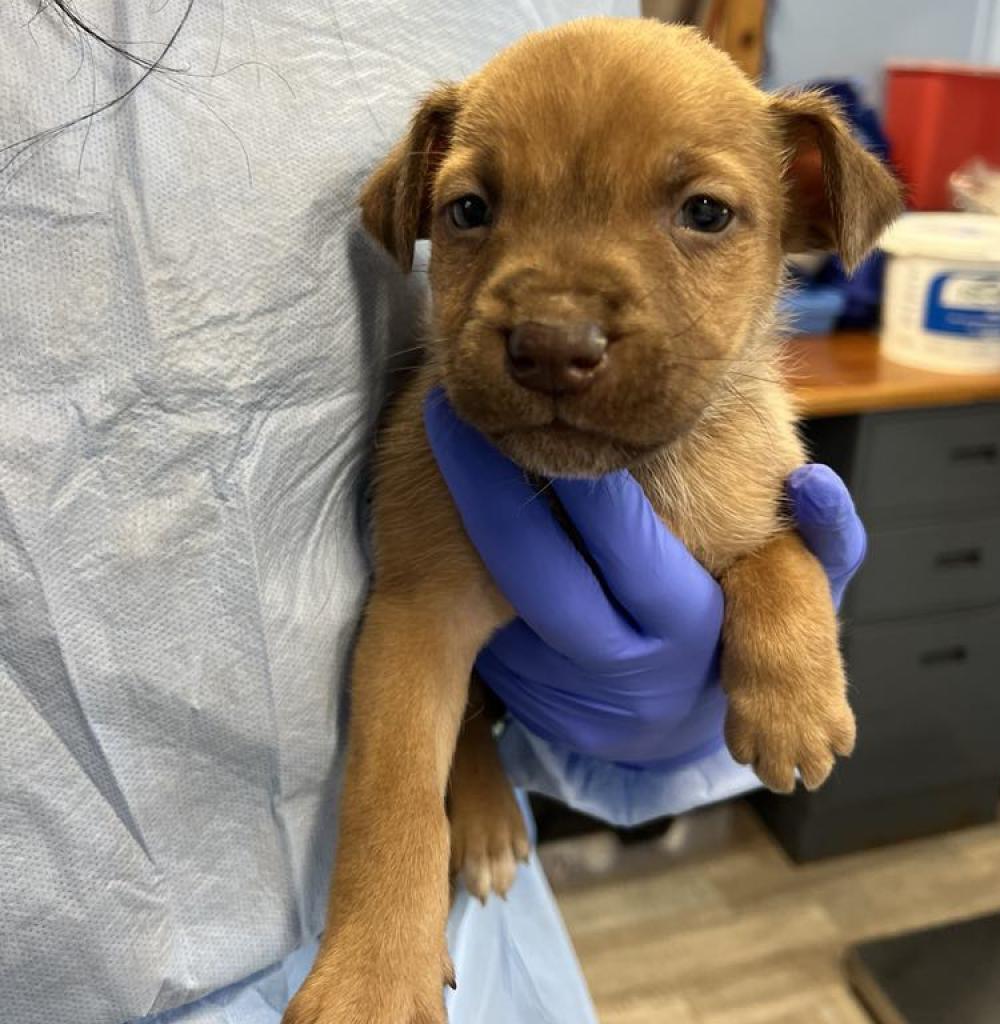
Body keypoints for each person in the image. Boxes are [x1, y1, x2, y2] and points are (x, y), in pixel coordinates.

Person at [0, 3, 865, 1022]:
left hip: (481, 942)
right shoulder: (439, 438)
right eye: (470, 211)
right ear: (411, 207)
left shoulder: (741, 432)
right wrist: (384, 902)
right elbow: (420, 626)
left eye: (704, 214)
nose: (555, 328)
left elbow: (763, 552)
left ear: (801, 201)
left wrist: (780, 611)